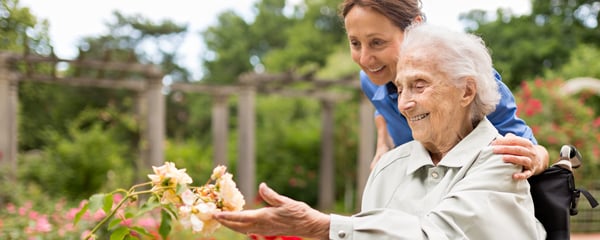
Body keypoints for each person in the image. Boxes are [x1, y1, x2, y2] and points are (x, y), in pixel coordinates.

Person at [214, 24, 546, 239]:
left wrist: (321, 225)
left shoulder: (504, 158)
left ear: (466, 91)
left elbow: (437, 234)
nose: (404, 104)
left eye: (419, 85)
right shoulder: (389, 166)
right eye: (400, 89)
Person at [342, 0, 548, 178]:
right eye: (355, 43)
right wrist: (383, 143)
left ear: (415, 27)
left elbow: (531, 149)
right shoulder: (371, 81)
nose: (364, 58)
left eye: (377, 42)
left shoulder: (464, 78)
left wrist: (537, 159)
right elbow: (382, 108)